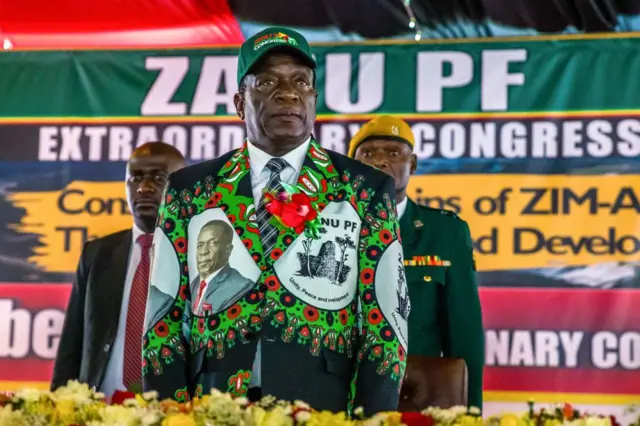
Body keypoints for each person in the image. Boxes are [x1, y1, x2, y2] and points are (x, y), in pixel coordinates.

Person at [143, 27, 408, 415]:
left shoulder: (364, 188)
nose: (288, 93)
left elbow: (386, 323)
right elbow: (162, 320)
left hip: (322, 409)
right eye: (267, 81)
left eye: (301, 81)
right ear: (239, 102)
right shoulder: (190, 189)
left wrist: (370, 420)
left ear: (314, 99)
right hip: (214, 406)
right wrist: (170, 417)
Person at [348, 115, 485, 410]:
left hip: (415, 398)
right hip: (336, 398)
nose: (381, 161)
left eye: (394, 152)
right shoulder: (323, 228)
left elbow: (464, 334)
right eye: (368, 153)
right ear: (352, 168)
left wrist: (469, 413)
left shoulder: (446, 233)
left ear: (413, 164)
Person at [51, 142, 186, 395]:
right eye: (135, 178)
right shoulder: (97, 253)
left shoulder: (199, 254)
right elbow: (73, 341)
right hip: (100, 408)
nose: (144, 188)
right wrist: (59, 404)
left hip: (175, 412)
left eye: (159, 178)